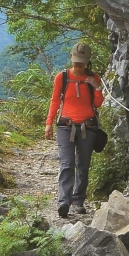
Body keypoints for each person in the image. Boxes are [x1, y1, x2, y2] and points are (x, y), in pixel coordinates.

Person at [43, 43, 104, 218]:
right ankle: (64, 201)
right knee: (67, 163)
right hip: (65, 125)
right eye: (77, 61)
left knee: (83, 165)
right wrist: (49, 123)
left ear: (88, 62)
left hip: (89, 126)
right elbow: (55, 100)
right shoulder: (61, 77)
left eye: (82, 62)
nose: (79, 65)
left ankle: (78, 201)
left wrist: (96, 86)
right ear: (71, 58)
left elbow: (98, 103)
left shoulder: (94, 78)